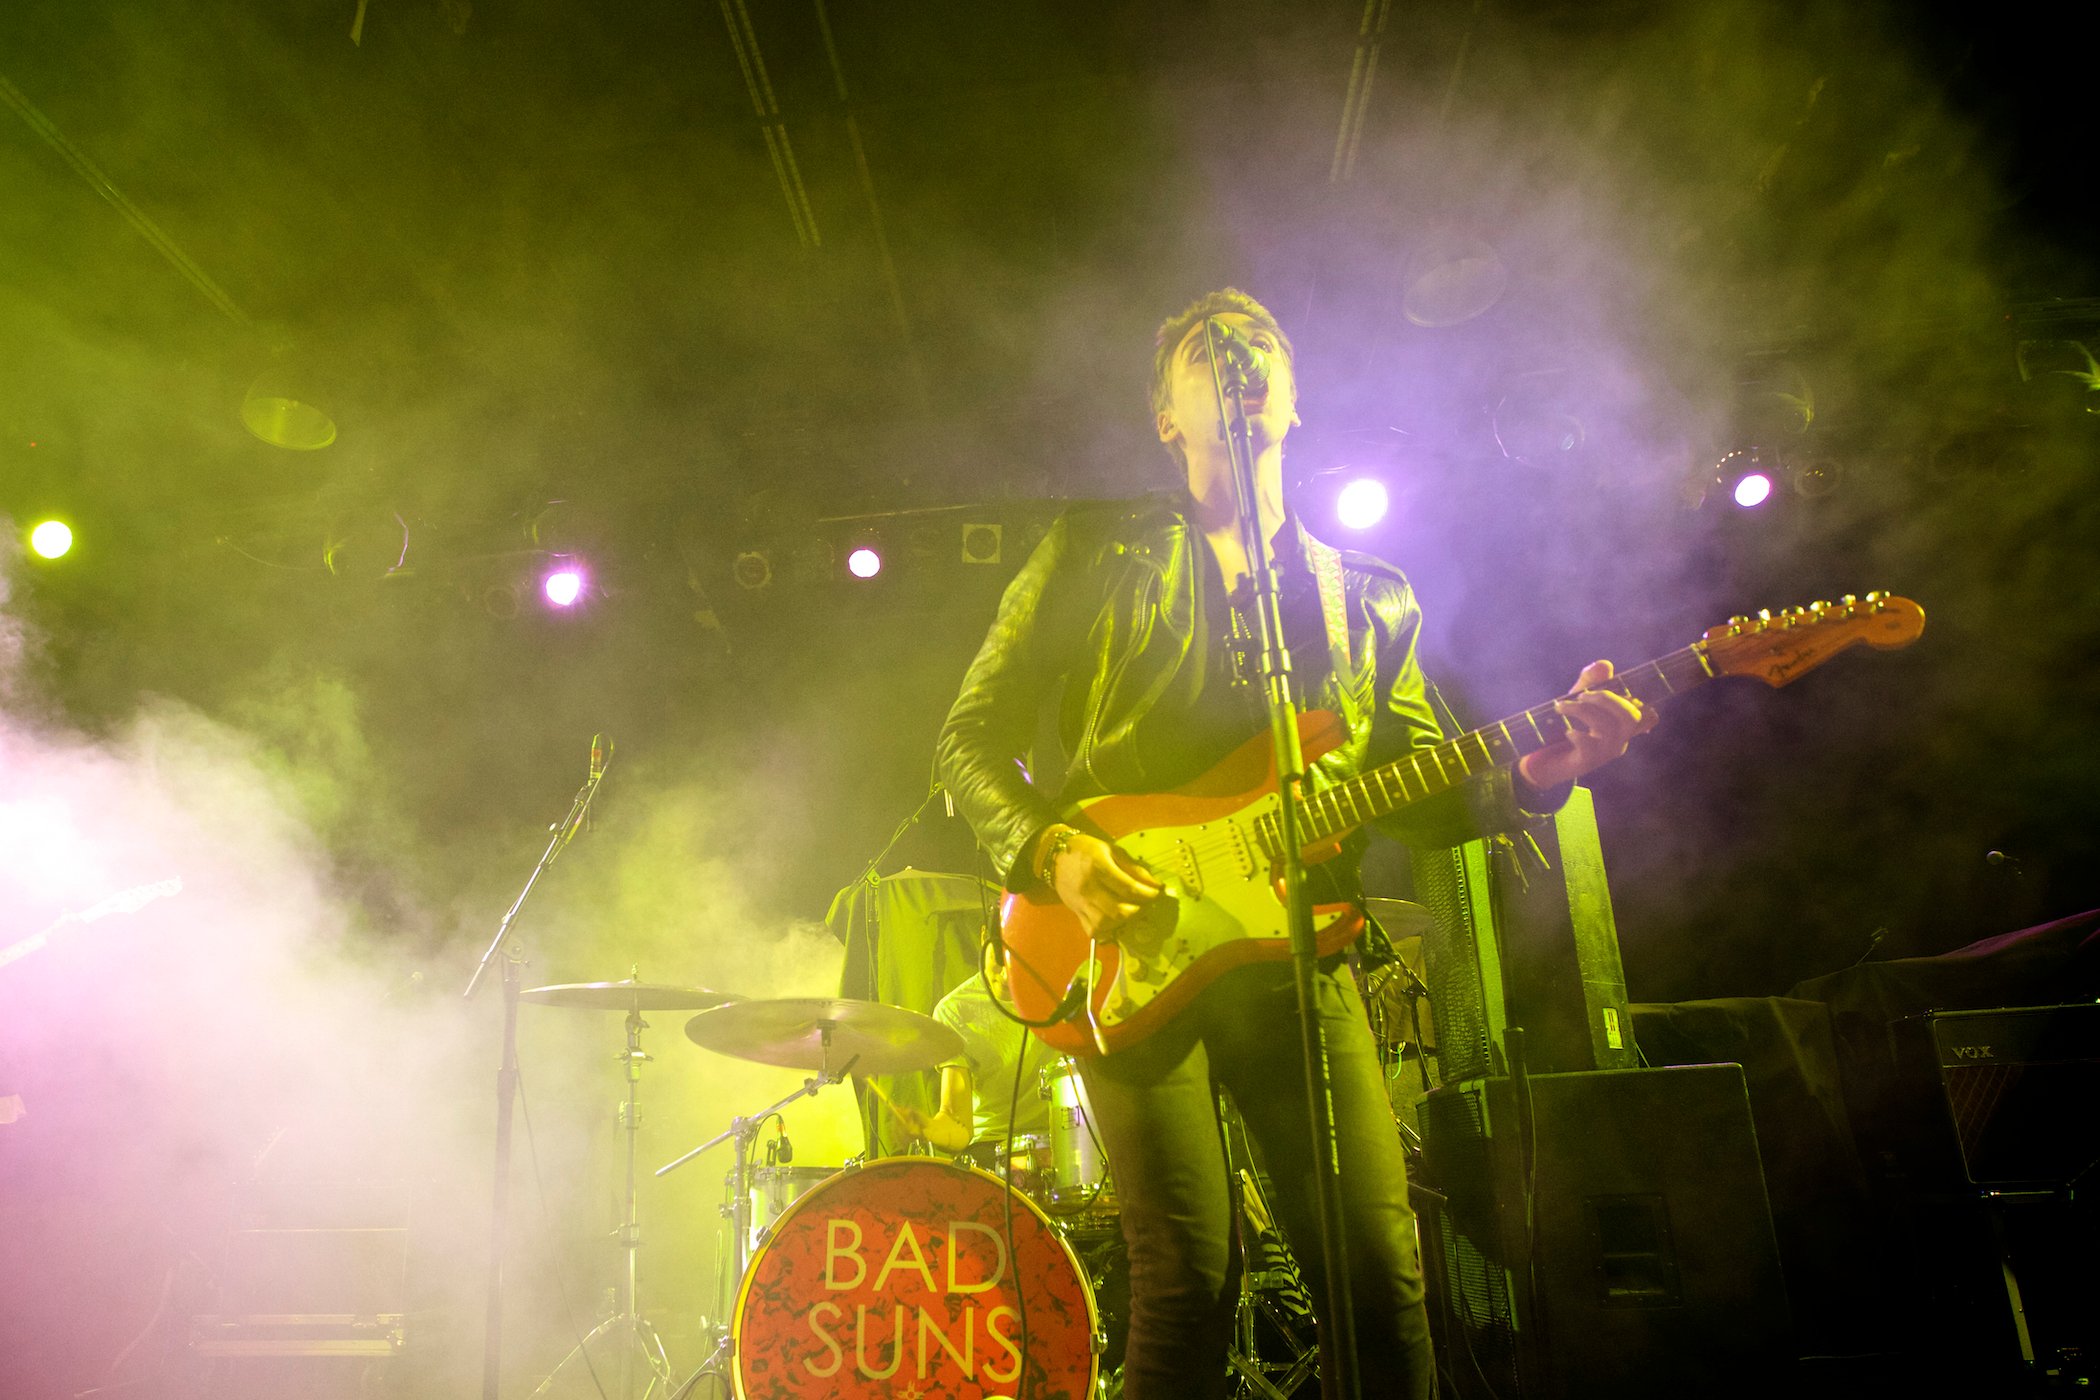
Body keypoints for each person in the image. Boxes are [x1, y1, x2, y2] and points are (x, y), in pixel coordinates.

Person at [934, 288, 1653, 1399]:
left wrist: (1531, 781)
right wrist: (1053, 855)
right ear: (1164, 414)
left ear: (1296, 398)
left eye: (1260, 344)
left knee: (1381, 1278)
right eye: (1206, 351)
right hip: (1123, 942)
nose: (1240, 357)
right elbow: (966, 738)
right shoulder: (1093, 546)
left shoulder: (1367, 599)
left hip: (1299, 952)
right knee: (1189, 1284)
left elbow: (1415, 792)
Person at [893, 949, 1058, 1159]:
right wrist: (928, 1128)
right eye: (999, 959)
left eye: (1018, 960)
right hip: (993, 1146)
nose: (1006, 975)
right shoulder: (955, 1009)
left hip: (1069, 1139)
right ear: (983, 937)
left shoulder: (1071, 992)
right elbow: (956, 1121)